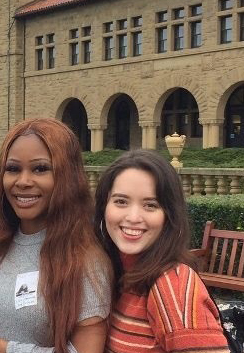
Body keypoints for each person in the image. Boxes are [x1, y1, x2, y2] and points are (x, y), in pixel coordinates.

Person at [0, 118, 112, 353]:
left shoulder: (86, 259)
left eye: (40, 169)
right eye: (13, 169)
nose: (23, 181)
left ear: (67, 177)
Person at [94, 149, 229, 353]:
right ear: (104, 207)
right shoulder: (116, 274)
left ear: (169, 216)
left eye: (150, 205)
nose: (133, 217)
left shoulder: (172, 283)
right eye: (121, 201)